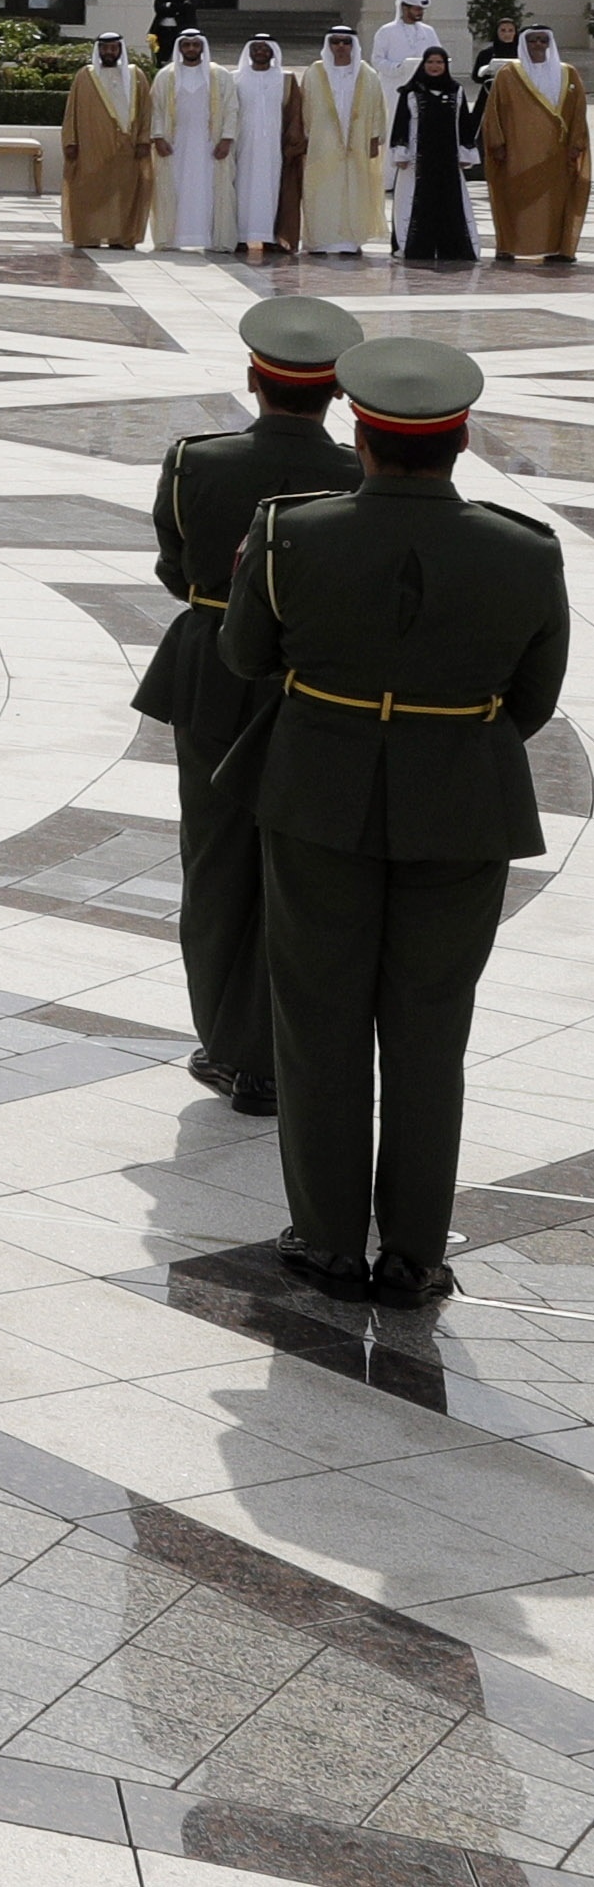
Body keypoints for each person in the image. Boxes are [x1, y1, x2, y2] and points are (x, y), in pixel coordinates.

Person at [227, 339, 567, 1306]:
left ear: (361, 438)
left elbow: (247, 653)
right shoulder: (523, 549)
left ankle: (330, 1238)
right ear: (459, 443)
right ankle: (416, 1249)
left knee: (320, 1022)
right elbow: (531, 702)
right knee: (429, 1030)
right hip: (462, 801)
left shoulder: (291, 534)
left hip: (317, 794)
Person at [135, 294, 360, 1112]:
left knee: (217, 858)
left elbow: (174, 565)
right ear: (338, 390)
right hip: (316, 684)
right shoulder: (355, 474)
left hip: (216, 670)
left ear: (253, 379)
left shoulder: (199, 460)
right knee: (301, 872)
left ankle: (231, 1048)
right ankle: (284, 1047)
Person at [494, 26, 585, 263]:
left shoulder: (568, 73)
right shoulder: (509, 74)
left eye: (543, 40)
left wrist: (577, 143)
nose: (538, 45)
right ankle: (511, 246)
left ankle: (557, 249)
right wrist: (498, 144)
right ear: (524, 43)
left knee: (555, 204)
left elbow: (578, 112)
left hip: (557, 152)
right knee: (517, 201)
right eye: (533, 40)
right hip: (519, 152)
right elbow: (494, 113)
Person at [295, 27, 388, 254]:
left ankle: (351, 241)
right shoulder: (315, 73)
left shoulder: (367, 74)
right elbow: (304, 108)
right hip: (321, 144)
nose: (340, 47)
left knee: (354, 191)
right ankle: (319, 240)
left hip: (357, 143)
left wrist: (375, 137)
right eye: (335, 42)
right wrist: (306, 138)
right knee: (321, 191)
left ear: (352, 45)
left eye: (346, 42)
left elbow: (378, 107)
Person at [389, 41, 479, 262]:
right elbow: (401, 121)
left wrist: (466, 153)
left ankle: (452, 249)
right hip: (416, 162)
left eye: (439, 62)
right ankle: (415, 248)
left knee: (449, 203)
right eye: (430, 62)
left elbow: (464, 124)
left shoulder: (455, 90)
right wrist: (400, 151)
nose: (435, 66)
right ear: (423, 64)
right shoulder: (411, 91)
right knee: (416, 203)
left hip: (448, 161)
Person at [61, 33, 152, 249]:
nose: (109, 52)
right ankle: (88, 236)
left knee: (124, 193)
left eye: (113, 48)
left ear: (120, 49)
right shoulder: (85, 75)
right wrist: (71, 141)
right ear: (98, 50)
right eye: (104, 48)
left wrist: (143, 140)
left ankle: (121, 237)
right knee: (90, 190)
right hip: (91, 145)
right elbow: (71, 112)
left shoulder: (136, 75)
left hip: (127, 147)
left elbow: (146, 111)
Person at [150, 30, 237, 252]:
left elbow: (231, 108)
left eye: (195, 45)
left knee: (210, 190)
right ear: (180, 48)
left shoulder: (219, 75)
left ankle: (212, 239)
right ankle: (171, 239)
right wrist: (158, 136)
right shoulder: (166, 75)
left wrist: (227, 138)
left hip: (210, 145)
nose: (191, 49)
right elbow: (156, 109)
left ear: (202, 47)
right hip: (174, 145)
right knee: (174, 188)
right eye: (186, 45)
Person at [230, 33, 295, 250]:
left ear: (273, 52)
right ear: (248, 51)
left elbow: (294, 113)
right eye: (255, 48)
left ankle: (268, 237)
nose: (260, 51)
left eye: (265, 48)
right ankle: (240, 236)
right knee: (241, 188)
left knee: (271, 188)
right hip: (243, 145)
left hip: (273, 146)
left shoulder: (284, 79)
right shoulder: (235, 78)